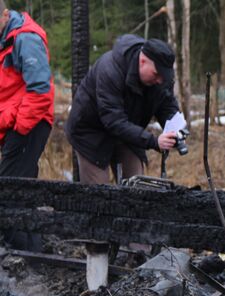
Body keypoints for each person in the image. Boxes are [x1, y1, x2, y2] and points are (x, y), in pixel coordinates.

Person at [65, 34, 181, 185]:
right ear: (142, 61)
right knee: (99, 195)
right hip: (91, 133)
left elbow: (167, 105)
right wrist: (153, 141)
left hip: (128, 129)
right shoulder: (110, 70)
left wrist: (176, 128)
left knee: (137, 186)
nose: (159, 80)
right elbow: (113, 121)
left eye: (163, 76)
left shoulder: (160, 78)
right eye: (156, 74)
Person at [0, 0, 54, 250]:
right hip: (16, 126)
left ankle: (23, 255)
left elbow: (41, 90)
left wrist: (19, 128)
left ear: (5, 14)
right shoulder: (6, 39)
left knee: (8, 193)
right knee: (21, 190)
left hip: (30, 125)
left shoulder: (25, 39)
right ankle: (34, 252)